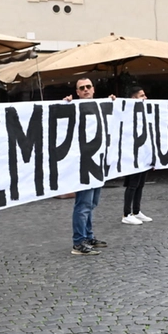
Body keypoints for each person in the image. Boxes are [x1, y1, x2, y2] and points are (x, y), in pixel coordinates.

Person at [66, 77, 110, 255]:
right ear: (77, 92)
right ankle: (78, 243)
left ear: (93, 89)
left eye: (88, 87)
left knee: (91, 203)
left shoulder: (101, 106)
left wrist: (112, 103)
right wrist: (65, 104)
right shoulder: (72, 108)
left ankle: (88, 236)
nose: (85, 90)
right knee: (83, 204)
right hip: (82, 164)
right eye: (81, 88)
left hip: (97, 162)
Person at [121, 87, 153, 224]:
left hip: (143, 153)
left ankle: (136, 211)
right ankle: (126, 214)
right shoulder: (127, 114)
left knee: (140, 184)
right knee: (133, 184)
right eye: (142, 95)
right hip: (132, 154)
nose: (145, 98)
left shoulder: (145, 113)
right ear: (134, 98)